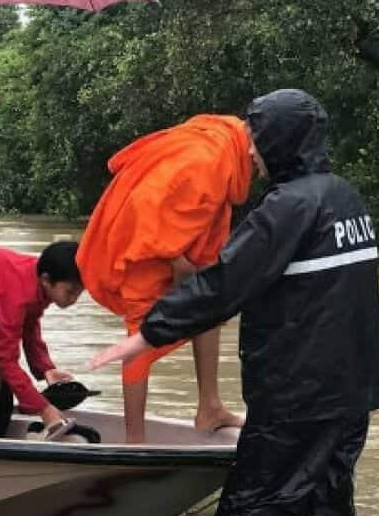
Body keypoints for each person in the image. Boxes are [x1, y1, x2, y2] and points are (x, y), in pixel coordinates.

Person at [87, 90, 379, 516]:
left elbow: (224, 285)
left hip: (295, 400)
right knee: (327, 509)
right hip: (353, 396)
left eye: (259, 137)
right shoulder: (344, 196)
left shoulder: (287, 208)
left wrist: (148, 334)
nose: (249, 151)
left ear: (284, 142)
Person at [77, 114, 251, 443]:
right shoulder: (209, 156)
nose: (256, 161)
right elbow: (146, 203)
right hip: (146, 242)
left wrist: (189, 262)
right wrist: (175, 259)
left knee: (209, 306)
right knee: (142, 332)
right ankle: (134, 440)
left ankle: (210, 407)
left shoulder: (225, 142)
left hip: (171, 240)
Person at [0, 242, 84, 438]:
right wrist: (43, 408)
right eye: (71, 291)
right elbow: (6, 359)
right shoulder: (17, 293)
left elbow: (30, 328)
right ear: (46, 280)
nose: (74, 299)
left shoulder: (37, 281)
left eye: (80, 292)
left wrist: (46, 369)